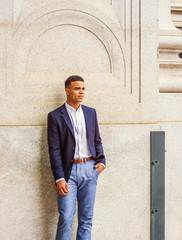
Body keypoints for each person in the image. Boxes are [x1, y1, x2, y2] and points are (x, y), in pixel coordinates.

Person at [47, 75, 105, 240]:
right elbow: (54, 149)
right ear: (67, 91)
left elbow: (97, 140)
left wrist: (101, 163)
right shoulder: (55, 116)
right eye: (77, 88)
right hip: (68, 172)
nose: (81, 92)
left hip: (90, 169)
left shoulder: (90, 112)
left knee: (86, 219)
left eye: (83, 88)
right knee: (65, 217)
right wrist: (59, 178)